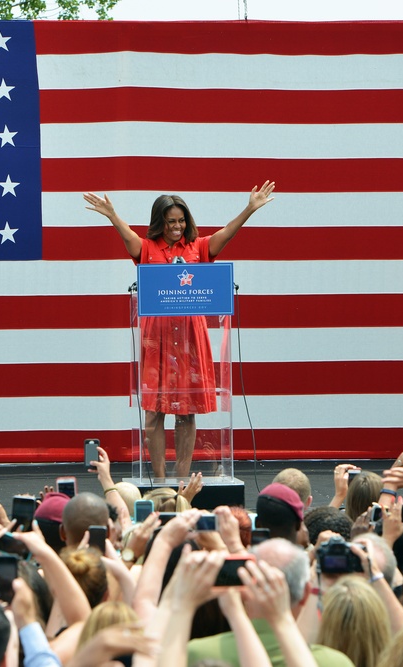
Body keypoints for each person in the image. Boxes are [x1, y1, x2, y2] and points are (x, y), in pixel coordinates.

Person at [84, 182, 275, 479]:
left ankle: (182, 477)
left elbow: (226, 233)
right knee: (154, 411)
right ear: (160, 222)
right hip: (156, 338)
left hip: (190, 336)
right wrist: (112, 215)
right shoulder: (147, 248)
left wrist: (249, 209)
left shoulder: (198, 247)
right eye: (171, 221)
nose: (177, 226)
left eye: (181, 220)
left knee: (187, 410)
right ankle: (160, 480)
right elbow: (129, 236)